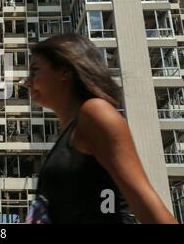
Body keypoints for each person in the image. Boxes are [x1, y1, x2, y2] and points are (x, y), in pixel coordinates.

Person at [23, 33, 178, 224]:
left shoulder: (95, 113)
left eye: (35, 71)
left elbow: (148, 206)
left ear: (65, 71)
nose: (27, 82)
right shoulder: (68, 131)